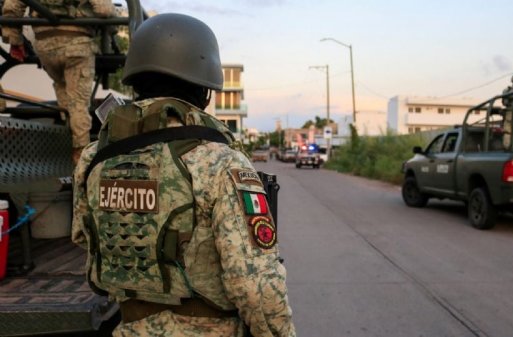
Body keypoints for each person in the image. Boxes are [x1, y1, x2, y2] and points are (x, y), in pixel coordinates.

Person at [71, 13, 296, 337]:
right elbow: (256, 287)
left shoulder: (94, 158)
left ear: (135, 81)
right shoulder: (220, 161)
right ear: (206, 90)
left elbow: (84, 238)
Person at [2, 0, 116, 164]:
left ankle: (65, 141)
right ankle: (81, 156)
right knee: (78, 103)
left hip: (45, 48)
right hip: (77, 45)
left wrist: (15, 41)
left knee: (65, 94)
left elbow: (11, 7)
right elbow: (104, 9)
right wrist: (113, 22)